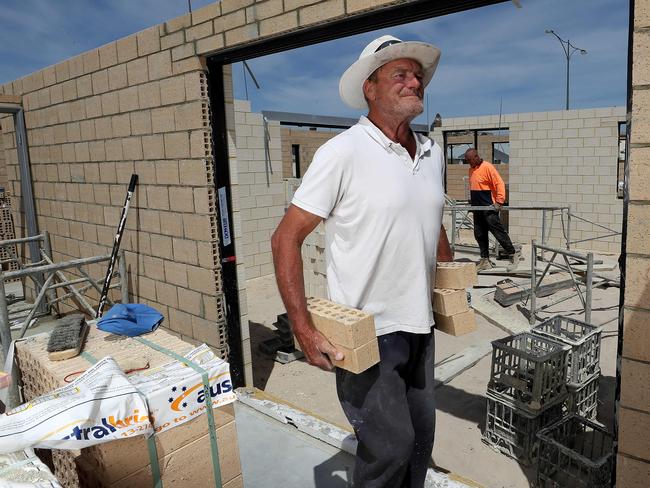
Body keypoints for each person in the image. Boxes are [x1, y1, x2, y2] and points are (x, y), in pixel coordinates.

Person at [271, 35, 453, 488]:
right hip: (367, 333)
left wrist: (451, 284)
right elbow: (285, 239)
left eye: (418, 76)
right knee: (387, 449)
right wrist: (304, 328)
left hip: (420, 327)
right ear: (370, 89)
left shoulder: (431, 154)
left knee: (418, 444)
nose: (415, 82)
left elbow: (431, 217)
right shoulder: (343, 152)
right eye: (400, 75)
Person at [464, 148, 520, 271]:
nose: (468, 163)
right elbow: (474, 187)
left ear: (476, 157)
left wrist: (500, 201)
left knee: (498, 232)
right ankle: (485, 260)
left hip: (489, 207)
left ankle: (513, 255)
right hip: (477, 208)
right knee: (479, 234)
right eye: (467, 161)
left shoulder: (487, 167)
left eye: (469, 160)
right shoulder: (471, 170)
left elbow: (499, 183)